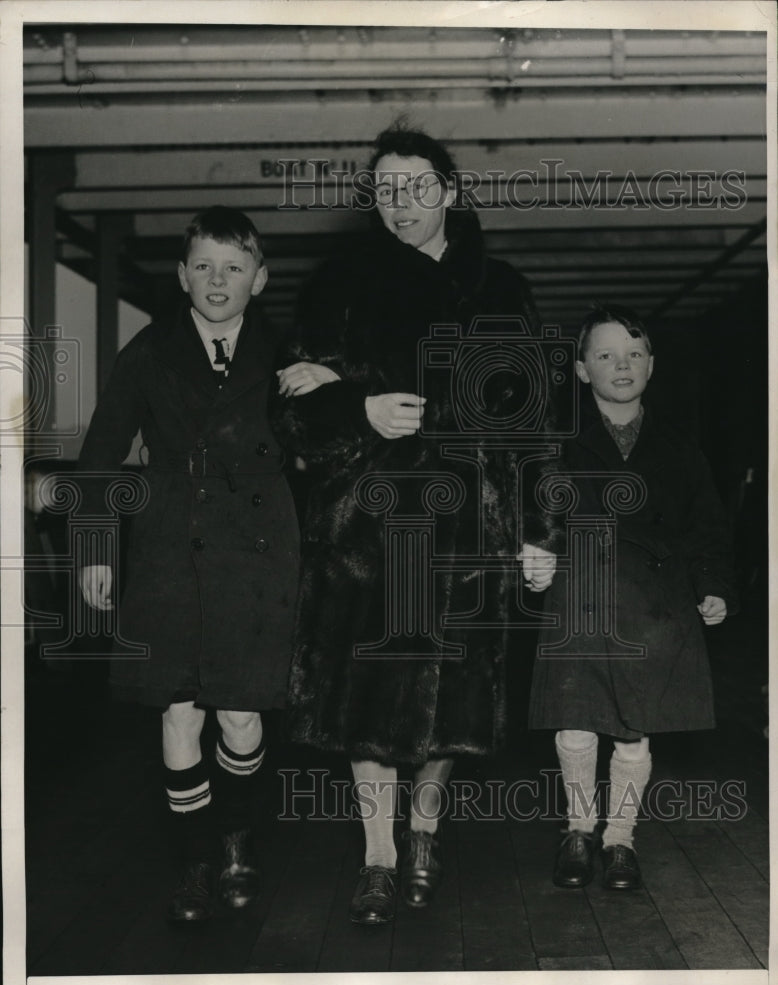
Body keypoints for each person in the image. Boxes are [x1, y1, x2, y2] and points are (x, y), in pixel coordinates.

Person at [272, 124, 559, 925]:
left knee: (449, 712)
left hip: (473, 529)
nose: (401, 204)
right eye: (386, 191)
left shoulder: (501, 289)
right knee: (369, 708)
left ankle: (424, 838)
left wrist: (540, 529)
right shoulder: (340, 286)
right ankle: (377, 856)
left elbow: (536, 422)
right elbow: (290, 412)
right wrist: (357, 407)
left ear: (451, 193)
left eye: (417, 187)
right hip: (368, 530)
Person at [78, 206, 300, 922]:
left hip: (259, 560)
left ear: (259, 279)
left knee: (239, 719)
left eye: (233, 267)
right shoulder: (147, 351)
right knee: (176, 714)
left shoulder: (291, 352)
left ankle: (238, 840)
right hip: (168, 552)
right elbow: (100, 454)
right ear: (181, 274)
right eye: (202, 265)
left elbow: (332, 446)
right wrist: (94, 549)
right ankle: (198, 862)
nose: (217, 280)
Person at [528, 304, 737, 891]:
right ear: (579, 369)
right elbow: (531, 510)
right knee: (575, 722)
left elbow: (708, 529)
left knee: (633, 727)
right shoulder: (555, 441)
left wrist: (715, 584)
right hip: (580, 598)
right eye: (605, 355)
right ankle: (577, 829)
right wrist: (532, 552)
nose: (622, 365)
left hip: (657, 607)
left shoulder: (681, 447)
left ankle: (620, 838)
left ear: (652, 365)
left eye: (635, 354)